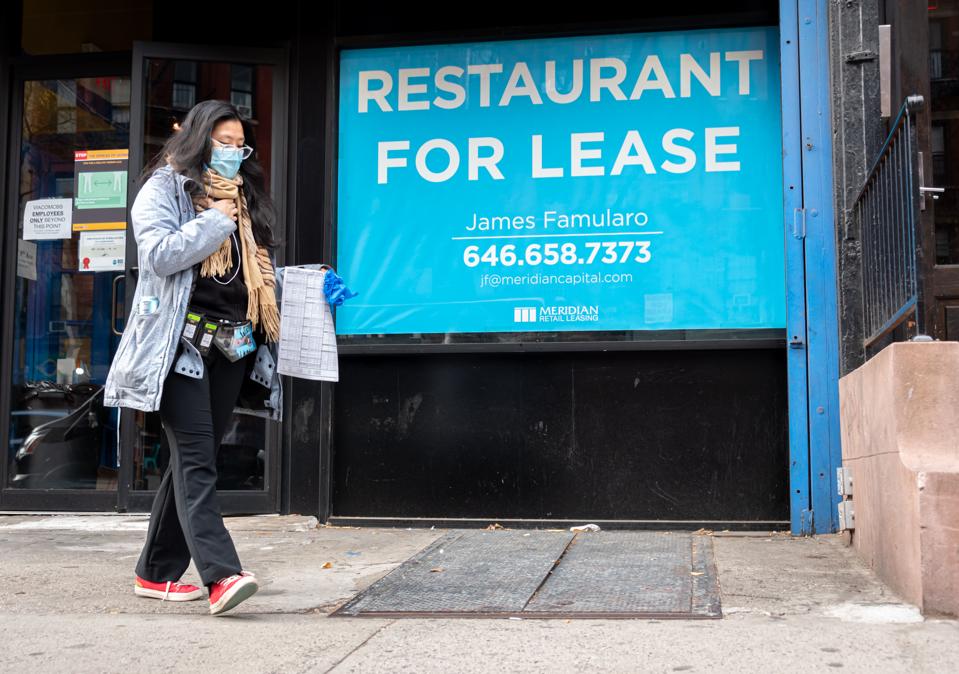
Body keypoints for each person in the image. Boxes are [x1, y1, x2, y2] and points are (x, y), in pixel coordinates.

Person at [103, 99, 282, 615]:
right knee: (197, 460)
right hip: (179, 347)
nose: (231, 153)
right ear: (199, 139)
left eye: (239, 145)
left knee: (189, 461)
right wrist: (214, 223)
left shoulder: (244, 202)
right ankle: (222, 575)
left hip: (233, 348)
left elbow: (248, 282)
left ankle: (154, 573)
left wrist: (308, 287)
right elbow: (158, 255)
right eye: (222, 143)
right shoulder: (165, 188)